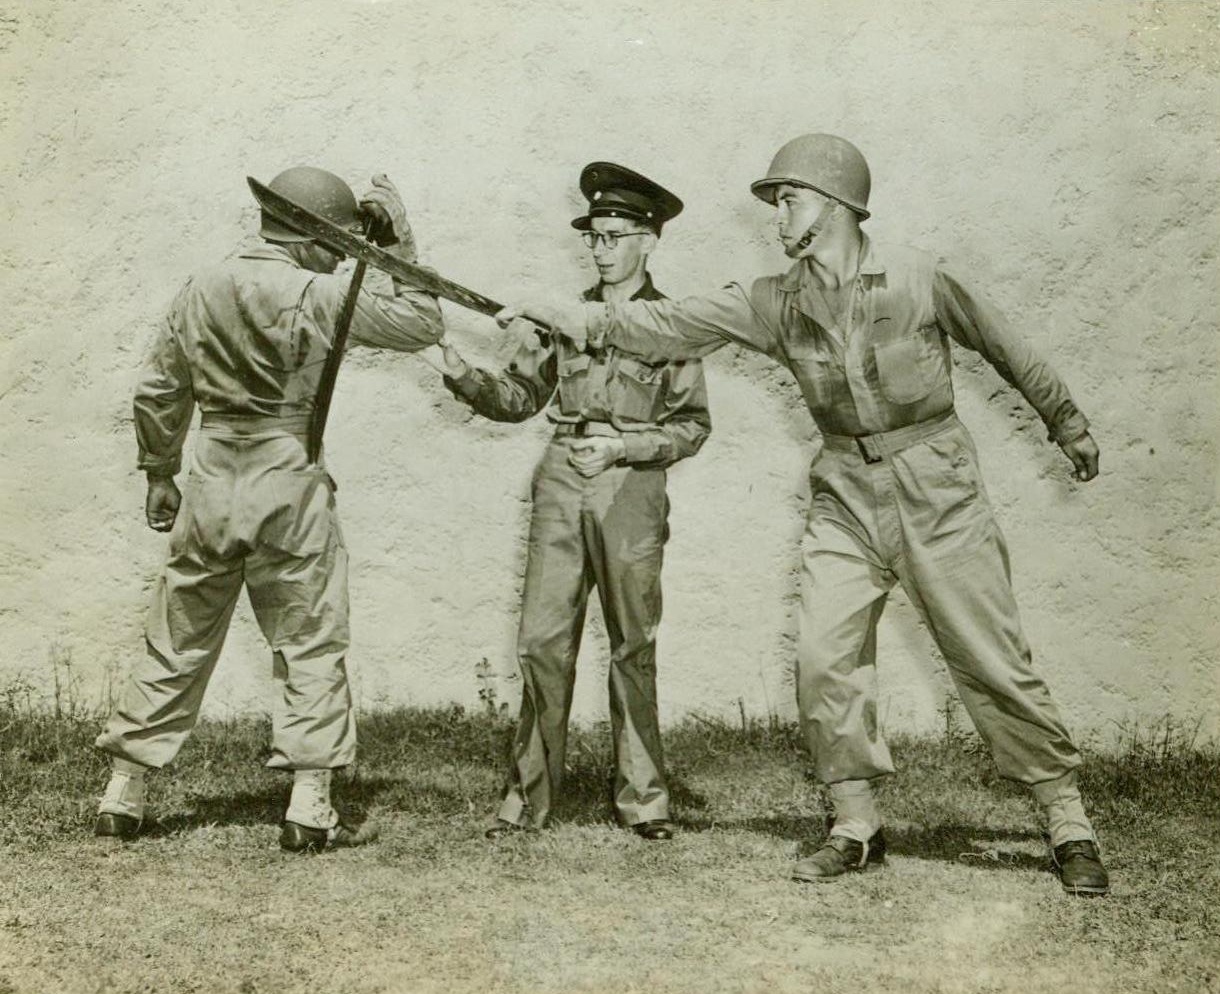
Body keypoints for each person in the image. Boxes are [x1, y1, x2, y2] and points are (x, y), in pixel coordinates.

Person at [499, 135, 1110, 894]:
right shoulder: (774, 300)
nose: (777, 215)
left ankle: (1066, 820)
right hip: (843, 491)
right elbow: (671, 324)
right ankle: (856, 824)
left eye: (788, 199)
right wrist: (574, 318)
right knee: (824, 658)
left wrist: (1067, 423)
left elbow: (1006, 347)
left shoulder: (919, 278)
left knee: (989, 658)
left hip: (937, 486)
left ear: (836, 204)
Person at [93, 167, 443, 852]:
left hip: (211, 478)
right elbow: (422, 322)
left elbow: (159, 389)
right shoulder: (319, 293)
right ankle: (309, 806)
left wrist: (159, 472)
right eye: (336, 244)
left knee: (177, 635)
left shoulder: (201, 286)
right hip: (288, 479)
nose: (339, 258)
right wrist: (398, 245)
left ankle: (122, 794)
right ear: (310, 235)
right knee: (309, 636)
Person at [438, 162, 710, 840]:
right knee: (540, 640)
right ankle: (527, 798)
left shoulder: (670, 325)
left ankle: (644, 799)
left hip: (630, 483)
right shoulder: (563, 319)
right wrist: (463, 375)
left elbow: (691, 426)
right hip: (561, 476)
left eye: (615, 237)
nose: (601, 249)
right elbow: (520, 398)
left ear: (649, 241)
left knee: (632, 642)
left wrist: (624, 447)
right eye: (594, 237)